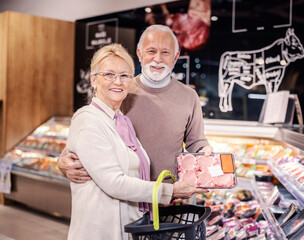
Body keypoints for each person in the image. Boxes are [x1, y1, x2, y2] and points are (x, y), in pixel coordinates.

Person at [66, 43, 207, 239]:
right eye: (108, 74)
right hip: (101, 229)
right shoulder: (88, 121)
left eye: (124, 76)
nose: (117, 81)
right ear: (93, 79)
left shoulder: (121, 121)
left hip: (129, 225)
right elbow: (114, 182)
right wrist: (170, 191)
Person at [58, 24, 212, 183]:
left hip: (173, 193)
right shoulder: (120, 90)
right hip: (128, 196)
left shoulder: (189, 96)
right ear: (139, 54)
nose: (158, 59)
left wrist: (204, 151)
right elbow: (89, 131)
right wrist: (62, 161)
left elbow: (196, 141)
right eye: (151, 51)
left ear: (176, 56)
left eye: (165, 52)